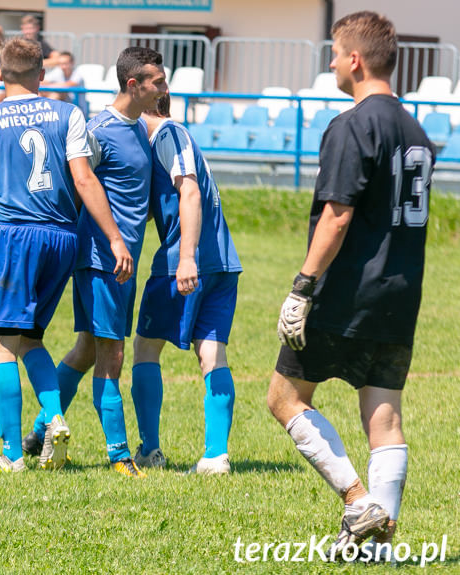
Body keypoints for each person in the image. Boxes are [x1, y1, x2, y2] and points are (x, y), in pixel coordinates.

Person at [266, 11, 434, 558]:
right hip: (401, 291)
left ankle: (358, 500)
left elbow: (337, 216)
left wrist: (302, 286)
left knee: (285, 398)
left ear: (356, 60)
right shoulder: (416, 131)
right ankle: (378, 545)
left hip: (349, 288)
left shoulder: (353, 123)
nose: (333, 63)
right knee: (383, 415)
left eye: (336, 54)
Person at [0, 37, 133, 473]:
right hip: (64, 239)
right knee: (30, 339)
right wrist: (116, 239)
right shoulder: (69, 113)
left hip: (16, 237)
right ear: (42, 74)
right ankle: (54, 417)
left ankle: (11, 454)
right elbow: (86, 181)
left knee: (1, 345)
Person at [24, 46, 168, 478]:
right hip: (105, 259)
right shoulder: (98, 130)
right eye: (157, 82)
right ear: (133, 85)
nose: (164, 88)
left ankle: (39, 432)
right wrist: (109, 242)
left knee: (88, 348)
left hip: (122, 257)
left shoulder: (140, 128)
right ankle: (119, 455)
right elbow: (76, 186)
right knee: (112, 352)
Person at [129, 92, 242, 474]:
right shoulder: (183, 137)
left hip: (184, 260)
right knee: (212, 355)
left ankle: (150, 450)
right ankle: (215, 455)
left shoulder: (166, 136)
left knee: (145, 349)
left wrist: (187, 257)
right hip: (223, 260)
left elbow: (189, 193)